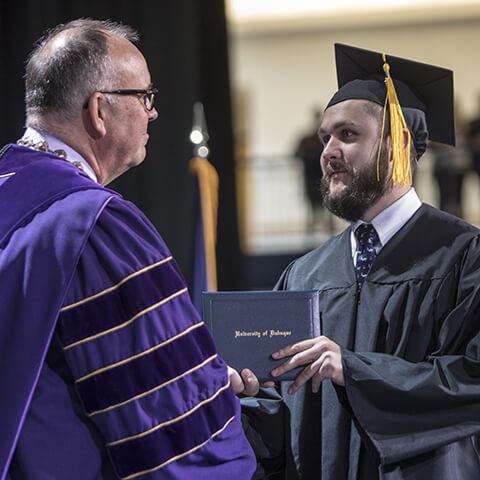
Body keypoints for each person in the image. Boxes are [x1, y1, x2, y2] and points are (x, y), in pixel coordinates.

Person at [0, 19, 255, 480]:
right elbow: (165, 410)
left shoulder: (12, 195)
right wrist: (217, 392)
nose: (153, 113)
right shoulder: (90, 224)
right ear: (99, 109)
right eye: (145, 97)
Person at [231, 43, 480, 479]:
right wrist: (246, 396)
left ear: (397, 143)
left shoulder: (463, 256)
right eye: (325, 136)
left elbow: (471, 379)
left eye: (347, 135)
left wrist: (356, 370)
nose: (328, 151)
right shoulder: (305, 274)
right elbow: (282, 411)